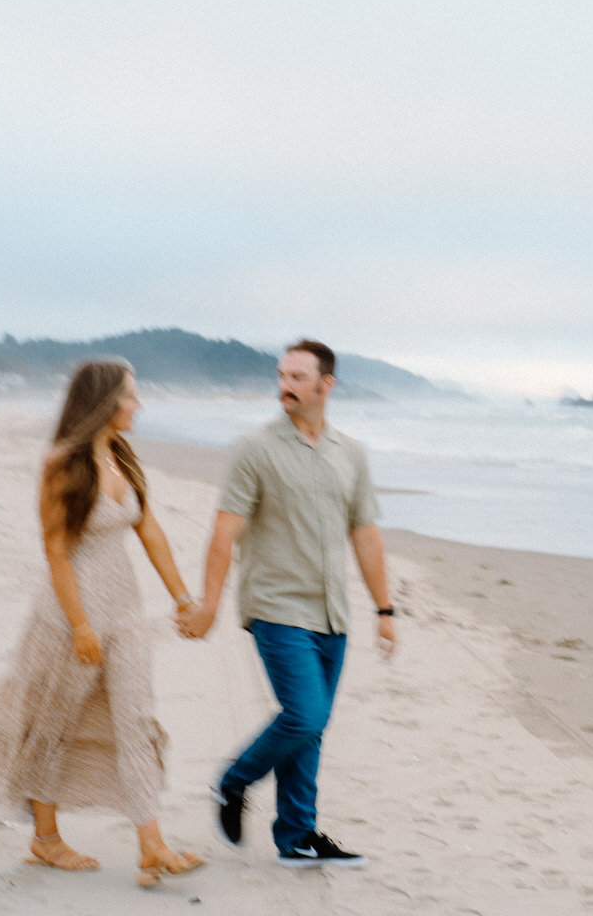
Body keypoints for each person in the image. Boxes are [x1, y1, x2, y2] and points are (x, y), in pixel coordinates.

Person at [0, 360, 204, 889]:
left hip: (126, 609)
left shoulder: (124, 457)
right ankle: (46, 839)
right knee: (52, 723)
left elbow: (149, 531)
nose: (139, 406)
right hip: (69, 614)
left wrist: (181, 598)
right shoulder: (61, 462)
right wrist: (81, 625)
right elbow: (56, 552)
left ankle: (151, 845)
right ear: (105, 402)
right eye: (131, 397)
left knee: (136, 720)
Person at [177, 339, 395, 868]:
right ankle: (234, 782)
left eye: (298, 376)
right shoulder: (256, 449)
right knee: (304, 715)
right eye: (282, 375)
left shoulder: (351, 453)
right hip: (276, 607)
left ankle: (297, 836)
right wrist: (209, 603)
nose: (285, 385)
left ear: (327, 384)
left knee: (312, 727)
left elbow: (365, 535)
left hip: (332, 612)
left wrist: (384, 610)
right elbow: (224, 532)